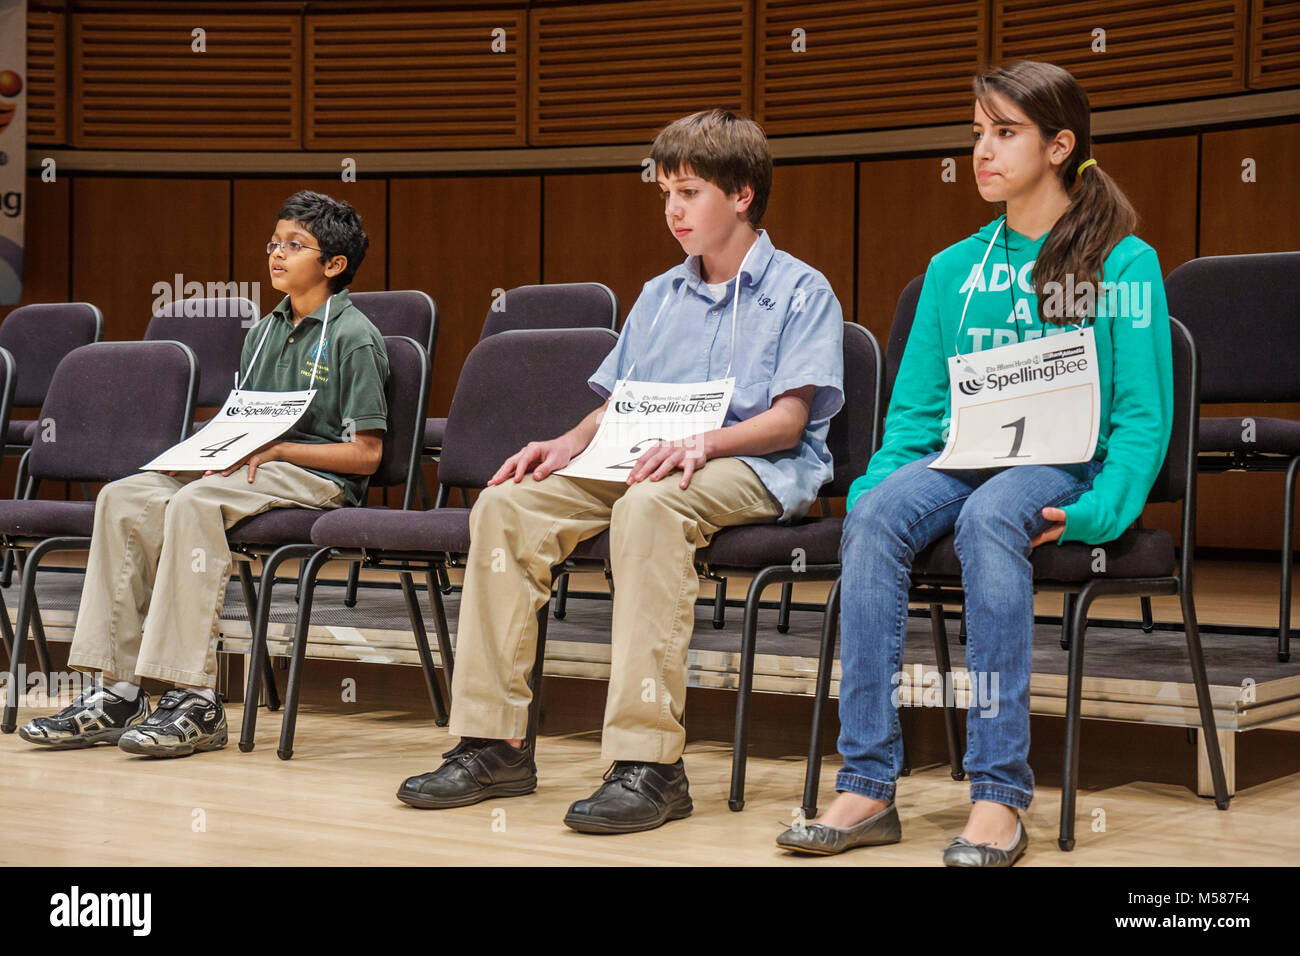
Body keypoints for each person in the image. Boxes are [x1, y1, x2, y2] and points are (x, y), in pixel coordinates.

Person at [397, 108, 845, 834]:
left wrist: (706, 441)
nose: (672, 208)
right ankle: (495, 742)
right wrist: (567, 441)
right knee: (507, 506)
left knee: (650, 508)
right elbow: (617, 407)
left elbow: (790, 420)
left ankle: (650, 765)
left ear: (741, 194)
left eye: (689, 191)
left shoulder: (800, 289)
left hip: (752, 464)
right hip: (647, 457)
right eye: (665, 191)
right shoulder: (659, 294)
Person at [776, 61, 1172, 865]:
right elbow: (918, 411)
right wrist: (878, 481)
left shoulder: (1119, 264)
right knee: (876, 512)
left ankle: (997, 796)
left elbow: (1139, 417)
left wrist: (1099, 511)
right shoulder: (953, 270)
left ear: (1060, 146)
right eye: (977, 134)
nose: (982, 152)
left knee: (994, 517)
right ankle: (866, 784)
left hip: (1065, 463)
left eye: (1006, 133)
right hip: (968, 454)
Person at [19, 190, 389, 758]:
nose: (277, 255)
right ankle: (117, 692)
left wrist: (284, 452)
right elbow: (243, 419)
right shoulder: (263, 331)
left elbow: (365, 456)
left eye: (295, 246)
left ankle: (195, 698)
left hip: (316, 477)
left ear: (334, 265)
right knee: (123, 497)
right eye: (274, 243)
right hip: (251, 466)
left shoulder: (353, 335)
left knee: (194, 505)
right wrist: (202, 451)